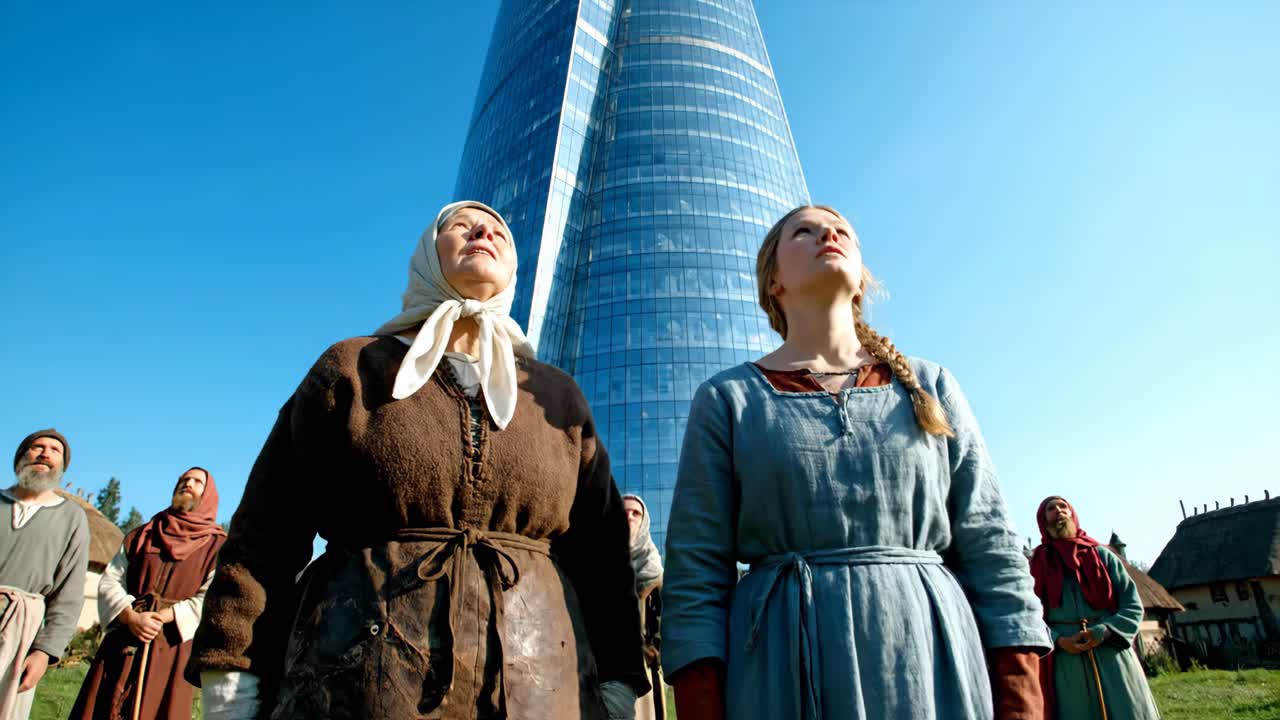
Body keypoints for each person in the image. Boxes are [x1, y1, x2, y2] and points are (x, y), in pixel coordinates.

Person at [188, 201, 648, 719]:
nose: (483, 232)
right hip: (358, 686)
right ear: (429, 253)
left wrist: (617, 682)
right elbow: (265, 533)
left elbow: (604, 556)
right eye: (461, 225)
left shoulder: (557, 397)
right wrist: (232, 678)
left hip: (542, 688)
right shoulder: (353, 366)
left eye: (499, 231)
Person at [661, 205, 1050, 720]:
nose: (828, 233)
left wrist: (1019, 694)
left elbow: (991, 544)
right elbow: (696, 572)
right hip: (780, 674)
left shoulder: (931, 386)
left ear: (861, 280)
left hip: (932, 665)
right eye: (805, 231)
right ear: (773, 281)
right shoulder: (727, 399)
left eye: (841, 229)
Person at [70, 467, 227, 719]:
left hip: (172, 646)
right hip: (125, 636)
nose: (187, 484)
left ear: (208, 495)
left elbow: (213, 596)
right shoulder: (142, 535)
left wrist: (163, 617)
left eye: (197, 482)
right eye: (184, 480)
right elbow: (111, 579)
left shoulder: (217, 547)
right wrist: (131, 617)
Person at [1030, 496, 1161, 720]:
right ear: (1043, 520)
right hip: (1066, 658)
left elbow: (1132, 604)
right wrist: (1059, 639)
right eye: (1051, 509)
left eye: (1063, 507)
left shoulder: (1102, 556)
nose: (1059, 511)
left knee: (1128, 710)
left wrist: (1105, 630)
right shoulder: (1037, 564)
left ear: (1072, 514)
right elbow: (1030, 616)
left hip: (1111, 650)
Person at [0, 429, 89, 720]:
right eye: (37, 447)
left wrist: (44, 652)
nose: (45, 453)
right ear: (21, 457)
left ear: (62, 466)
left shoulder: (71, 518)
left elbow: (70, 594)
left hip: (20, 633)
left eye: (54, 450)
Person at [622, 495, 664, 720]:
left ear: (644, 520)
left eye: (635, 513)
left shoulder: (654, 570)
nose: (629, 517)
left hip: (643, 671)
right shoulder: (597, 562)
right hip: (601, 671)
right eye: (624, 512)